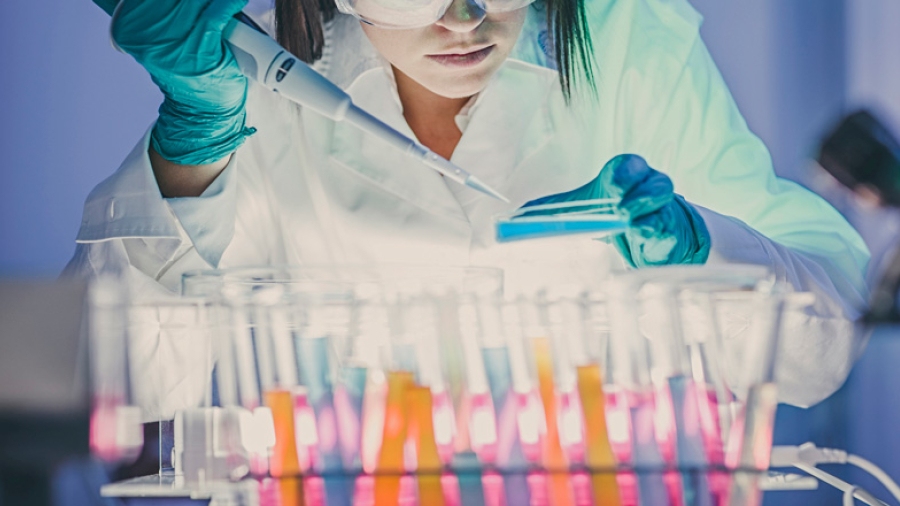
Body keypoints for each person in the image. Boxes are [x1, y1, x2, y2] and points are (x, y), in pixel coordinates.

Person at [66, 0, 869, 408]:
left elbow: (821, 351)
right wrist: (194, 145)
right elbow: (107, 387)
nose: (464, 19)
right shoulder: (253, 78)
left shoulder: (627, 44)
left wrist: (704, 253)